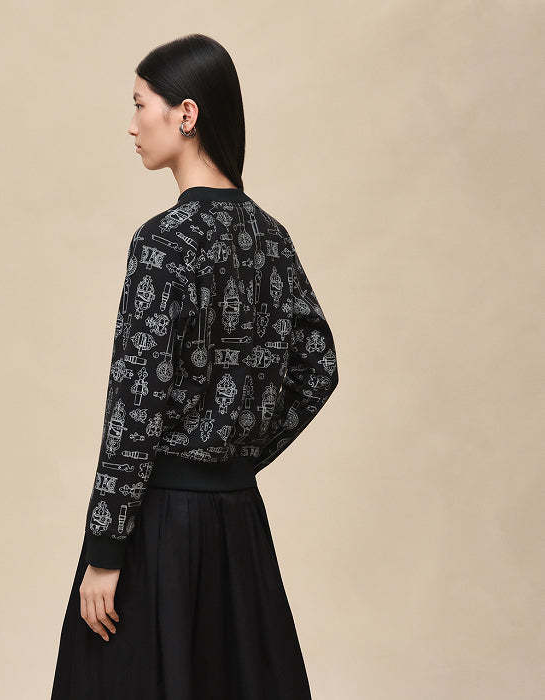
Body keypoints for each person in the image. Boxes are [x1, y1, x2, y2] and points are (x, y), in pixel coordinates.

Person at [50, 33, 339, 699]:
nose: (132, 125)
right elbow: (318, 366)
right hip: (238, 524)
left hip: (160, 528)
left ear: (186, 114)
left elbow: (135, 405)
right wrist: (236, 451)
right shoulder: (270, 238)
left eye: (139, 104)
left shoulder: (163, 242)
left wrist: (105, 551)